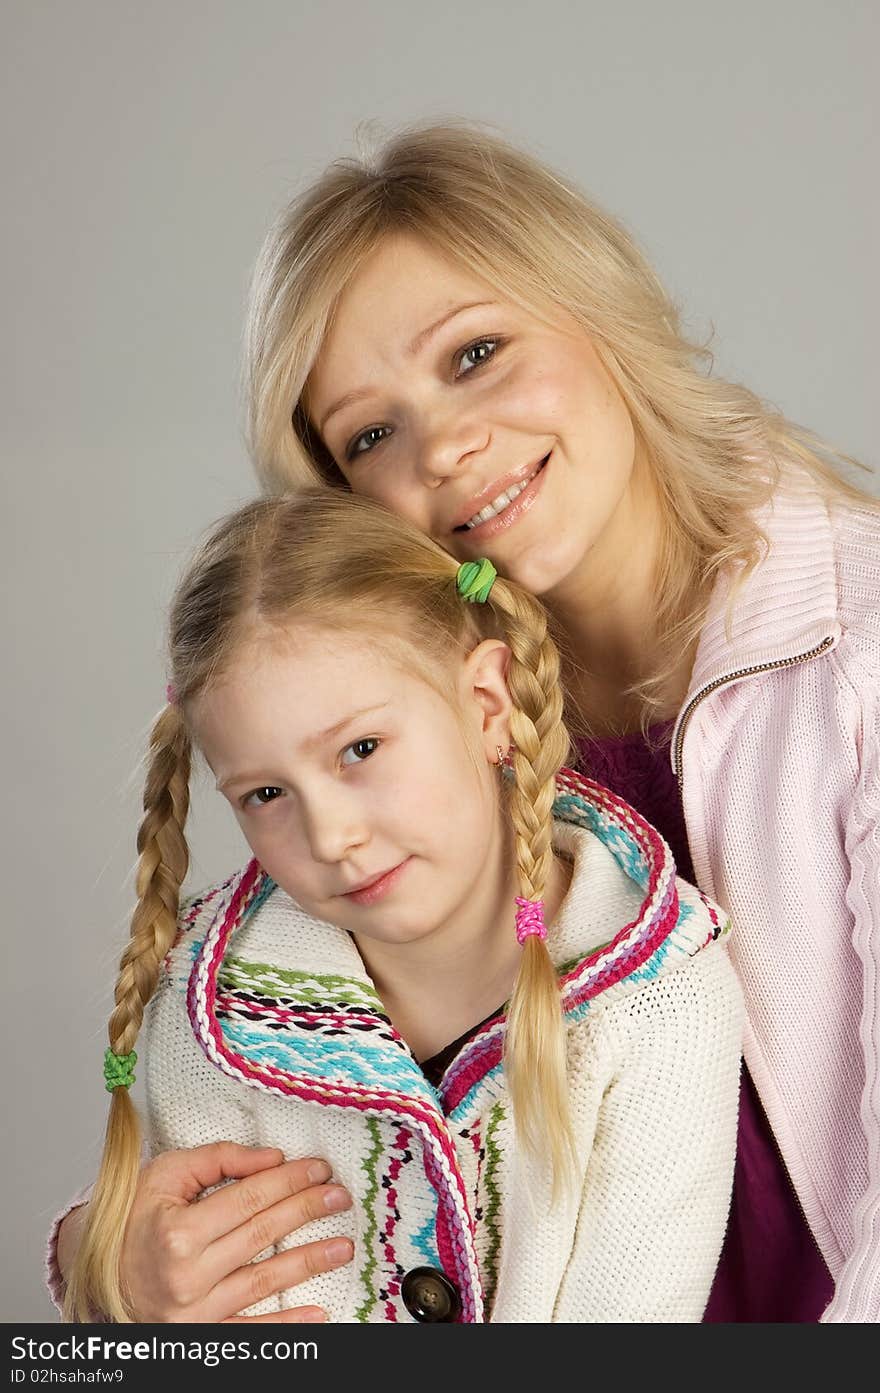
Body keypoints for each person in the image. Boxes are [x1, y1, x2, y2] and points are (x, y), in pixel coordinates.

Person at [53, 121, 879, 1322]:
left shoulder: (855, 658)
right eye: (369, 434)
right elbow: (321, 1093)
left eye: (476, 353)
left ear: (598, 314)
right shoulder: (404, 721)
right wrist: (109, 1258)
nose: (445, 447)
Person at [62, 489, 741, 1323]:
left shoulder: (661, 996)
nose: (332, 833)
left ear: (489, 706)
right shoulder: (209, 1012)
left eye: (360, 749)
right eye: (266, 792)